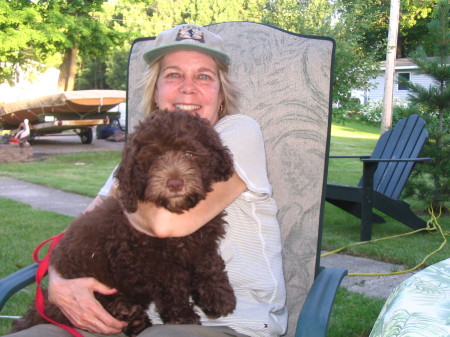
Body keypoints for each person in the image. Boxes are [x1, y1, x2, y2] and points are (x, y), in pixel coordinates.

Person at [6, 24, 287, 337]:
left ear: (222, 95)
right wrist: (59, 283)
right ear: (155, 92)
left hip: (232, 323)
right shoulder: (138, 154)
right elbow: (80, 230)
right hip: (123, 319)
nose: (188, 88)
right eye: (173, 75)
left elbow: (165, 225)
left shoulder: (236, 132)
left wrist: (132, 180)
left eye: (204, 76)